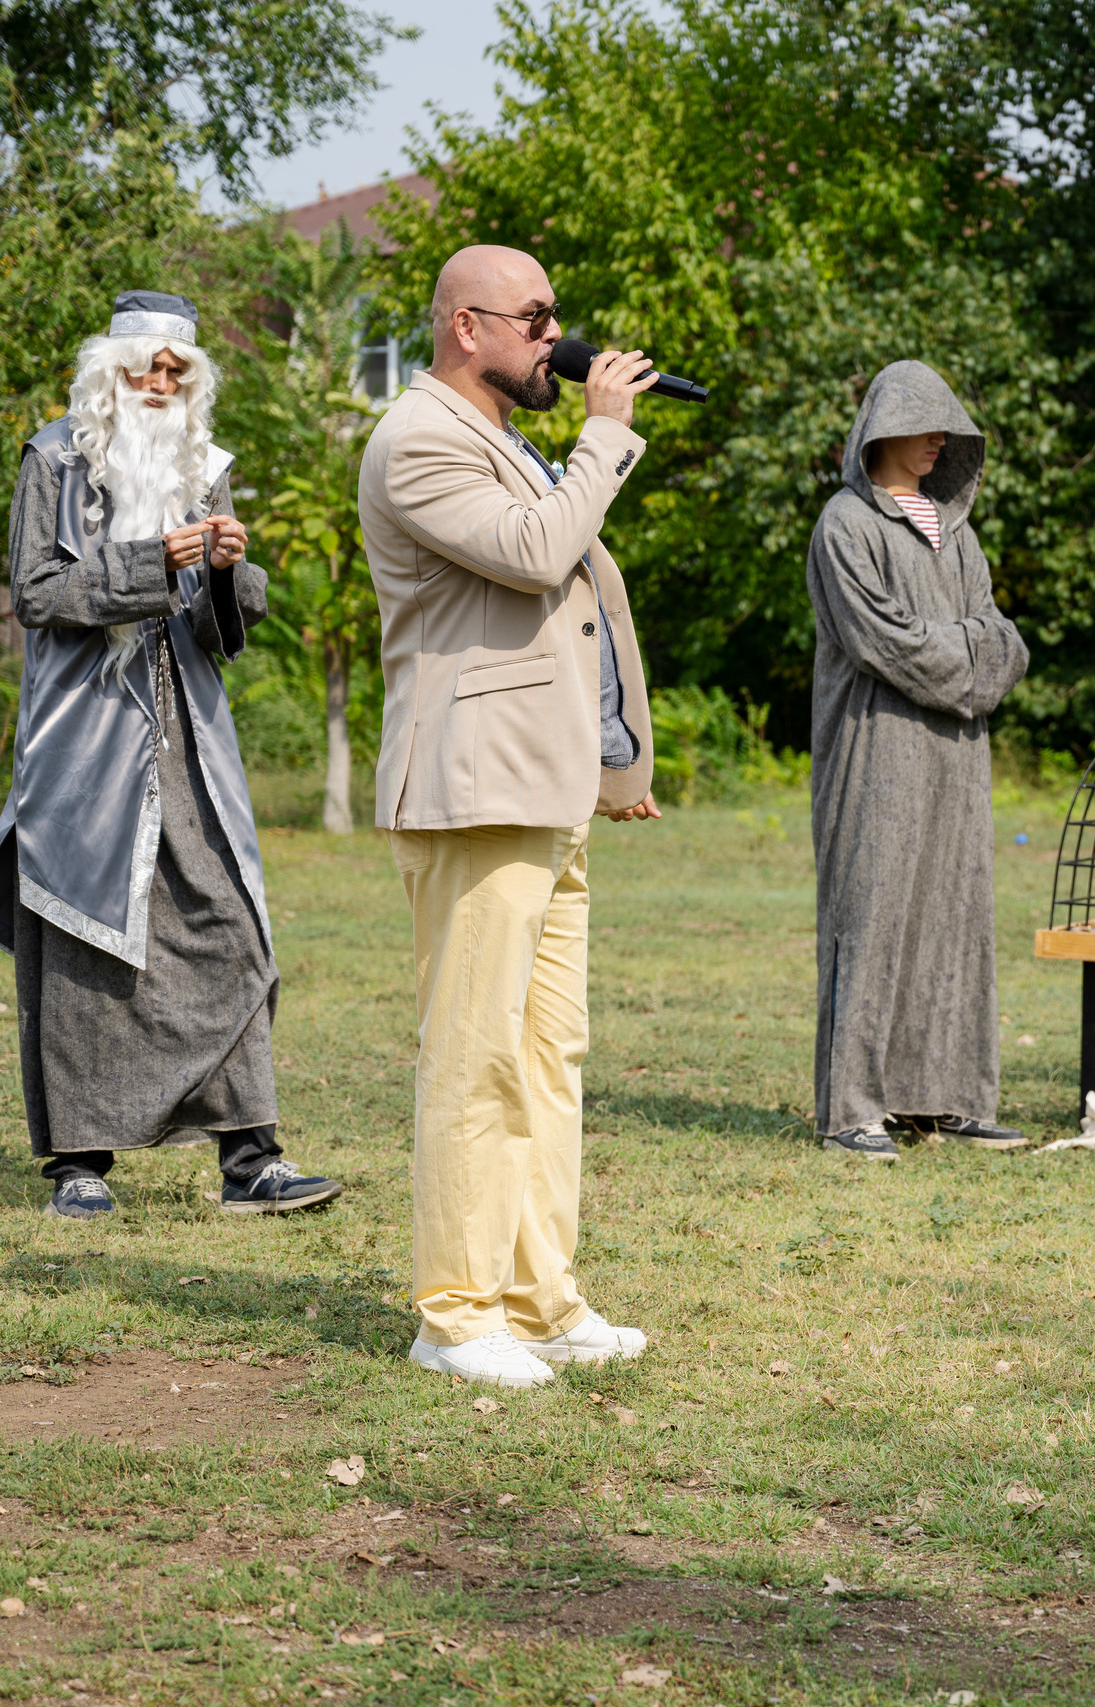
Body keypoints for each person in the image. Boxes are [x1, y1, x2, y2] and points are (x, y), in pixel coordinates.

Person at [0, 291, 341, 1219]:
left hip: (189, 740)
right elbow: (36, 593)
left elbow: (221, 621)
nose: (162, 383)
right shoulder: (52, 457)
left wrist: (221, 571)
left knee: (231, 923)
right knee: (85, 929)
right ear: (112, 371)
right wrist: (149, 564)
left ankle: (251, 1159)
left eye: (180, 370)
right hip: (83, 740)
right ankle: (79, 1164)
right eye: (149, 366)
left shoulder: (204, 468)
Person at [360, 245, 662, 1390]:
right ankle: (454, 1314)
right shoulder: (418, 439)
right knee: (476, 1055)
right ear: (462, 326)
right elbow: (539, 559)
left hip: (544, 788)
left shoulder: (506, 444)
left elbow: (582, 609)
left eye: (556, 316)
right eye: (534, 318)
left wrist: (611, 761)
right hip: (473, 788)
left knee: (547, 1058)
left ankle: (539, 1301)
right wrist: (606, 433)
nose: (556, 337)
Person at [806, 361, 1031, 1160]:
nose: (941, 440)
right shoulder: (845, 525)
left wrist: (966, 653)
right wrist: (965, 654)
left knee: (955, 913)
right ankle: (854, 1110)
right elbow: (883, 642)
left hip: (957, 757)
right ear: (883, 427)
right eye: (927, 424)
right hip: (876, 754)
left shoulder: (956, 531)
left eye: (950, 429)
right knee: (873, 915)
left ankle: (949, 1098)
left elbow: (1006, 642)